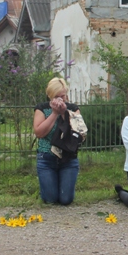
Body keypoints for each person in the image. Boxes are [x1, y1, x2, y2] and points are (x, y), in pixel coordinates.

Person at [32, 77, 81, 205]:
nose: (60, 99)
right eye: (56, 97)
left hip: (68, 158)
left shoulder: (73, 109)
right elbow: (39, 133)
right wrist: (54, 114)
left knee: (66, 200)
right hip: (47, 157)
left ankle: (64, 187)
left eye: (62, 96)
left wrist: (64, 113)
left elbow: (79, 133)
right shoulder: (41, 109)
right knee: (50, 200)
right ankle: (48, 188)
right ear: (50, 96)